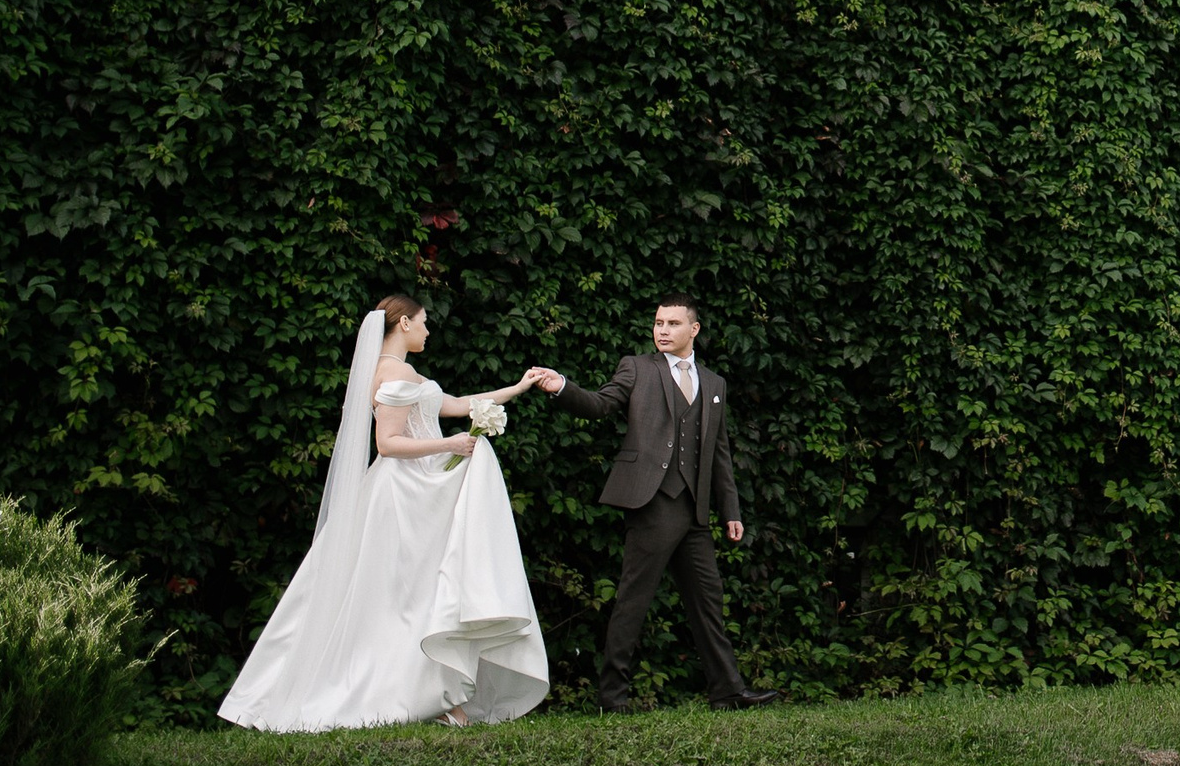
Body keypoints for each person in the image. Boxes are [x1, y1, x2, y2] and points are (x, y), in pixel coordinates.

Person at [219, 294, 554, 731]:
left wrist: (517, 387)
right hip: (402, 494)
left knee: (423, 593)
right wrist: (450, 445)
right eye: (424, 322)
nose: (429, 330)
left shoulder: (405, 371)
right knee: (402, 596)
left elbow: (454, 403)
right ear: (405, 324)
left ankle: (440, 695)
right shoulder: (392, 372)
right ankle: (417, 694)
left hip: (422, 490)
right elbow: (388, 444)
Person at [533, 296, 778, 712]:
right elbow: (600, 404)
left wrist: (730, 511)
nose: (662, 330)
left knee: (707, 601)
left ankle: (727, 691)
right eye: (658, 323)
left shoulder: (714, 383)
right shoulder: (637, 367)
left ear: (693, 330)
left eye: (673, 323)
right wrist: (563, 387)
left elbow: (719, 453)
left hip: (696, 511)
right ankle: (612, 698)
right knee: (634, 600)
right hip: (652, 502)